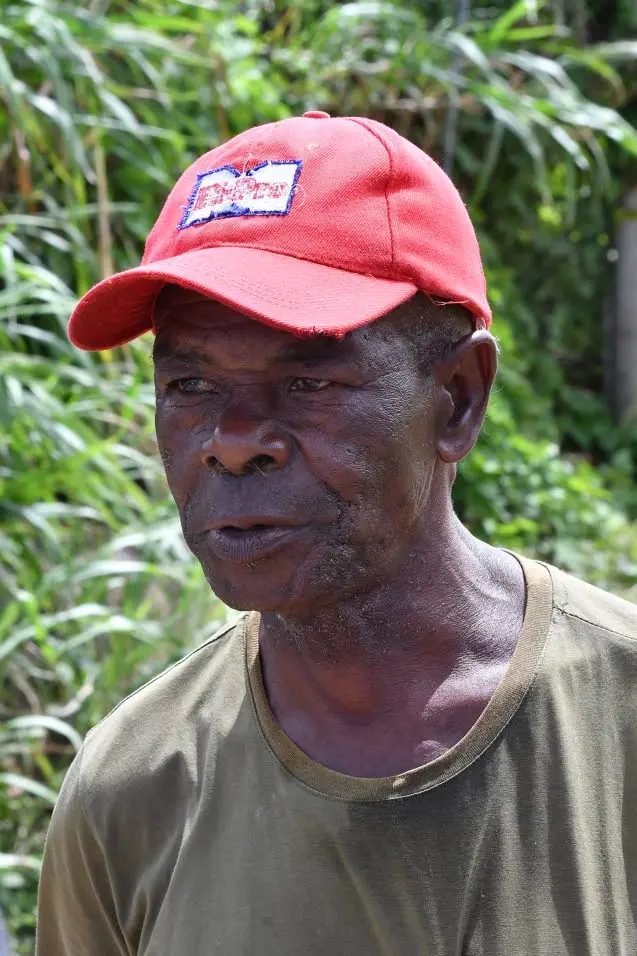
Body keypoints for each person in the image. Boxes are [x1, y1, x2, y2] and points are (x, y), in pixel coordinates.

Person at [37, 112, 637, 956]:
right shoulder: (130, 791)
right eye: (191, 385)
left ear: (457, 399)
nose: (233, 440)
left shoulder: (616, 717)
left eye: (310, 380)